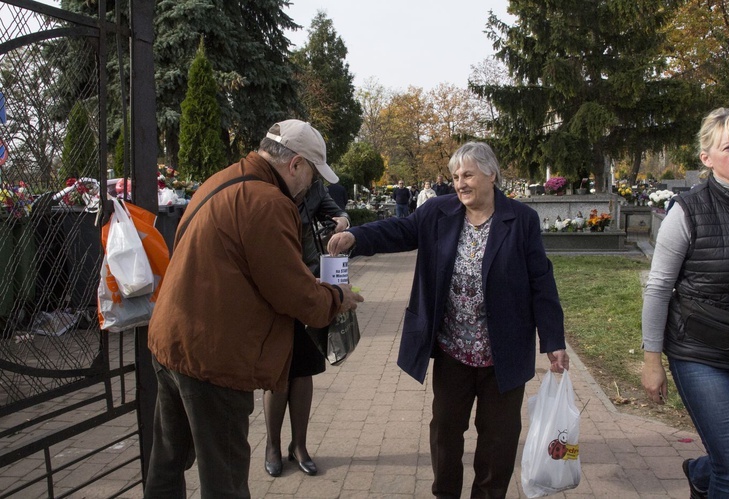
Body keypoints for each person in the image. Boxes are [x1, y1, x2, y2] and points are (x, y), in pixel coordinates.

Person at [328, 141, 569, 498]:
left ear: (491, 174)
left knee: (498, 439)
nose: (460, 183)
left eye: (468, 174)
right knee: (444, 431)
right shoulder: (438, 212)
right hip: (453, 349)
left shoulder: (521, 220)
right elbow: (400, 230)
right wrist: (355, 237)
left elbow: (541, 281)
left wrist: (553, 341)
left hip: (503, 353)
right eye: (456, 176)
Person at [144, 119, 363, 498]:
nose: (311, 186)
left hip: (170, 342)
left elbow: (242, 266)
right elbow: (293, 295)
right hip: (213, 359)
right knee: (224, 479)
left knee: (167, 462)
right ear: (295, 165)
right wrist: (337, 298)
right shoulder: (269, 202)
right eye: (311, 175)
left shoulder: (221, 180)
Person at [641, 107, 729, 498]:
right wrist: (652, 361)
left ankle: (701, 476)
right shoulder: (688, 211)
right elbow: (657, 289)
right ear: (707, 159)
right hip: (701, 352)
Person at [263, 180, 350, 478]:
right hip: (276, 287)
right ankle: (272, 447)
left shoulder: (314, 187)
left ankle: (298, 446)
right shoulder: (268, 187)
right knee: (279, 371)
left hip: (312, 283)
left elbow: (337, 212)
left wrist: (342, 220)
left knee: (305, 368)